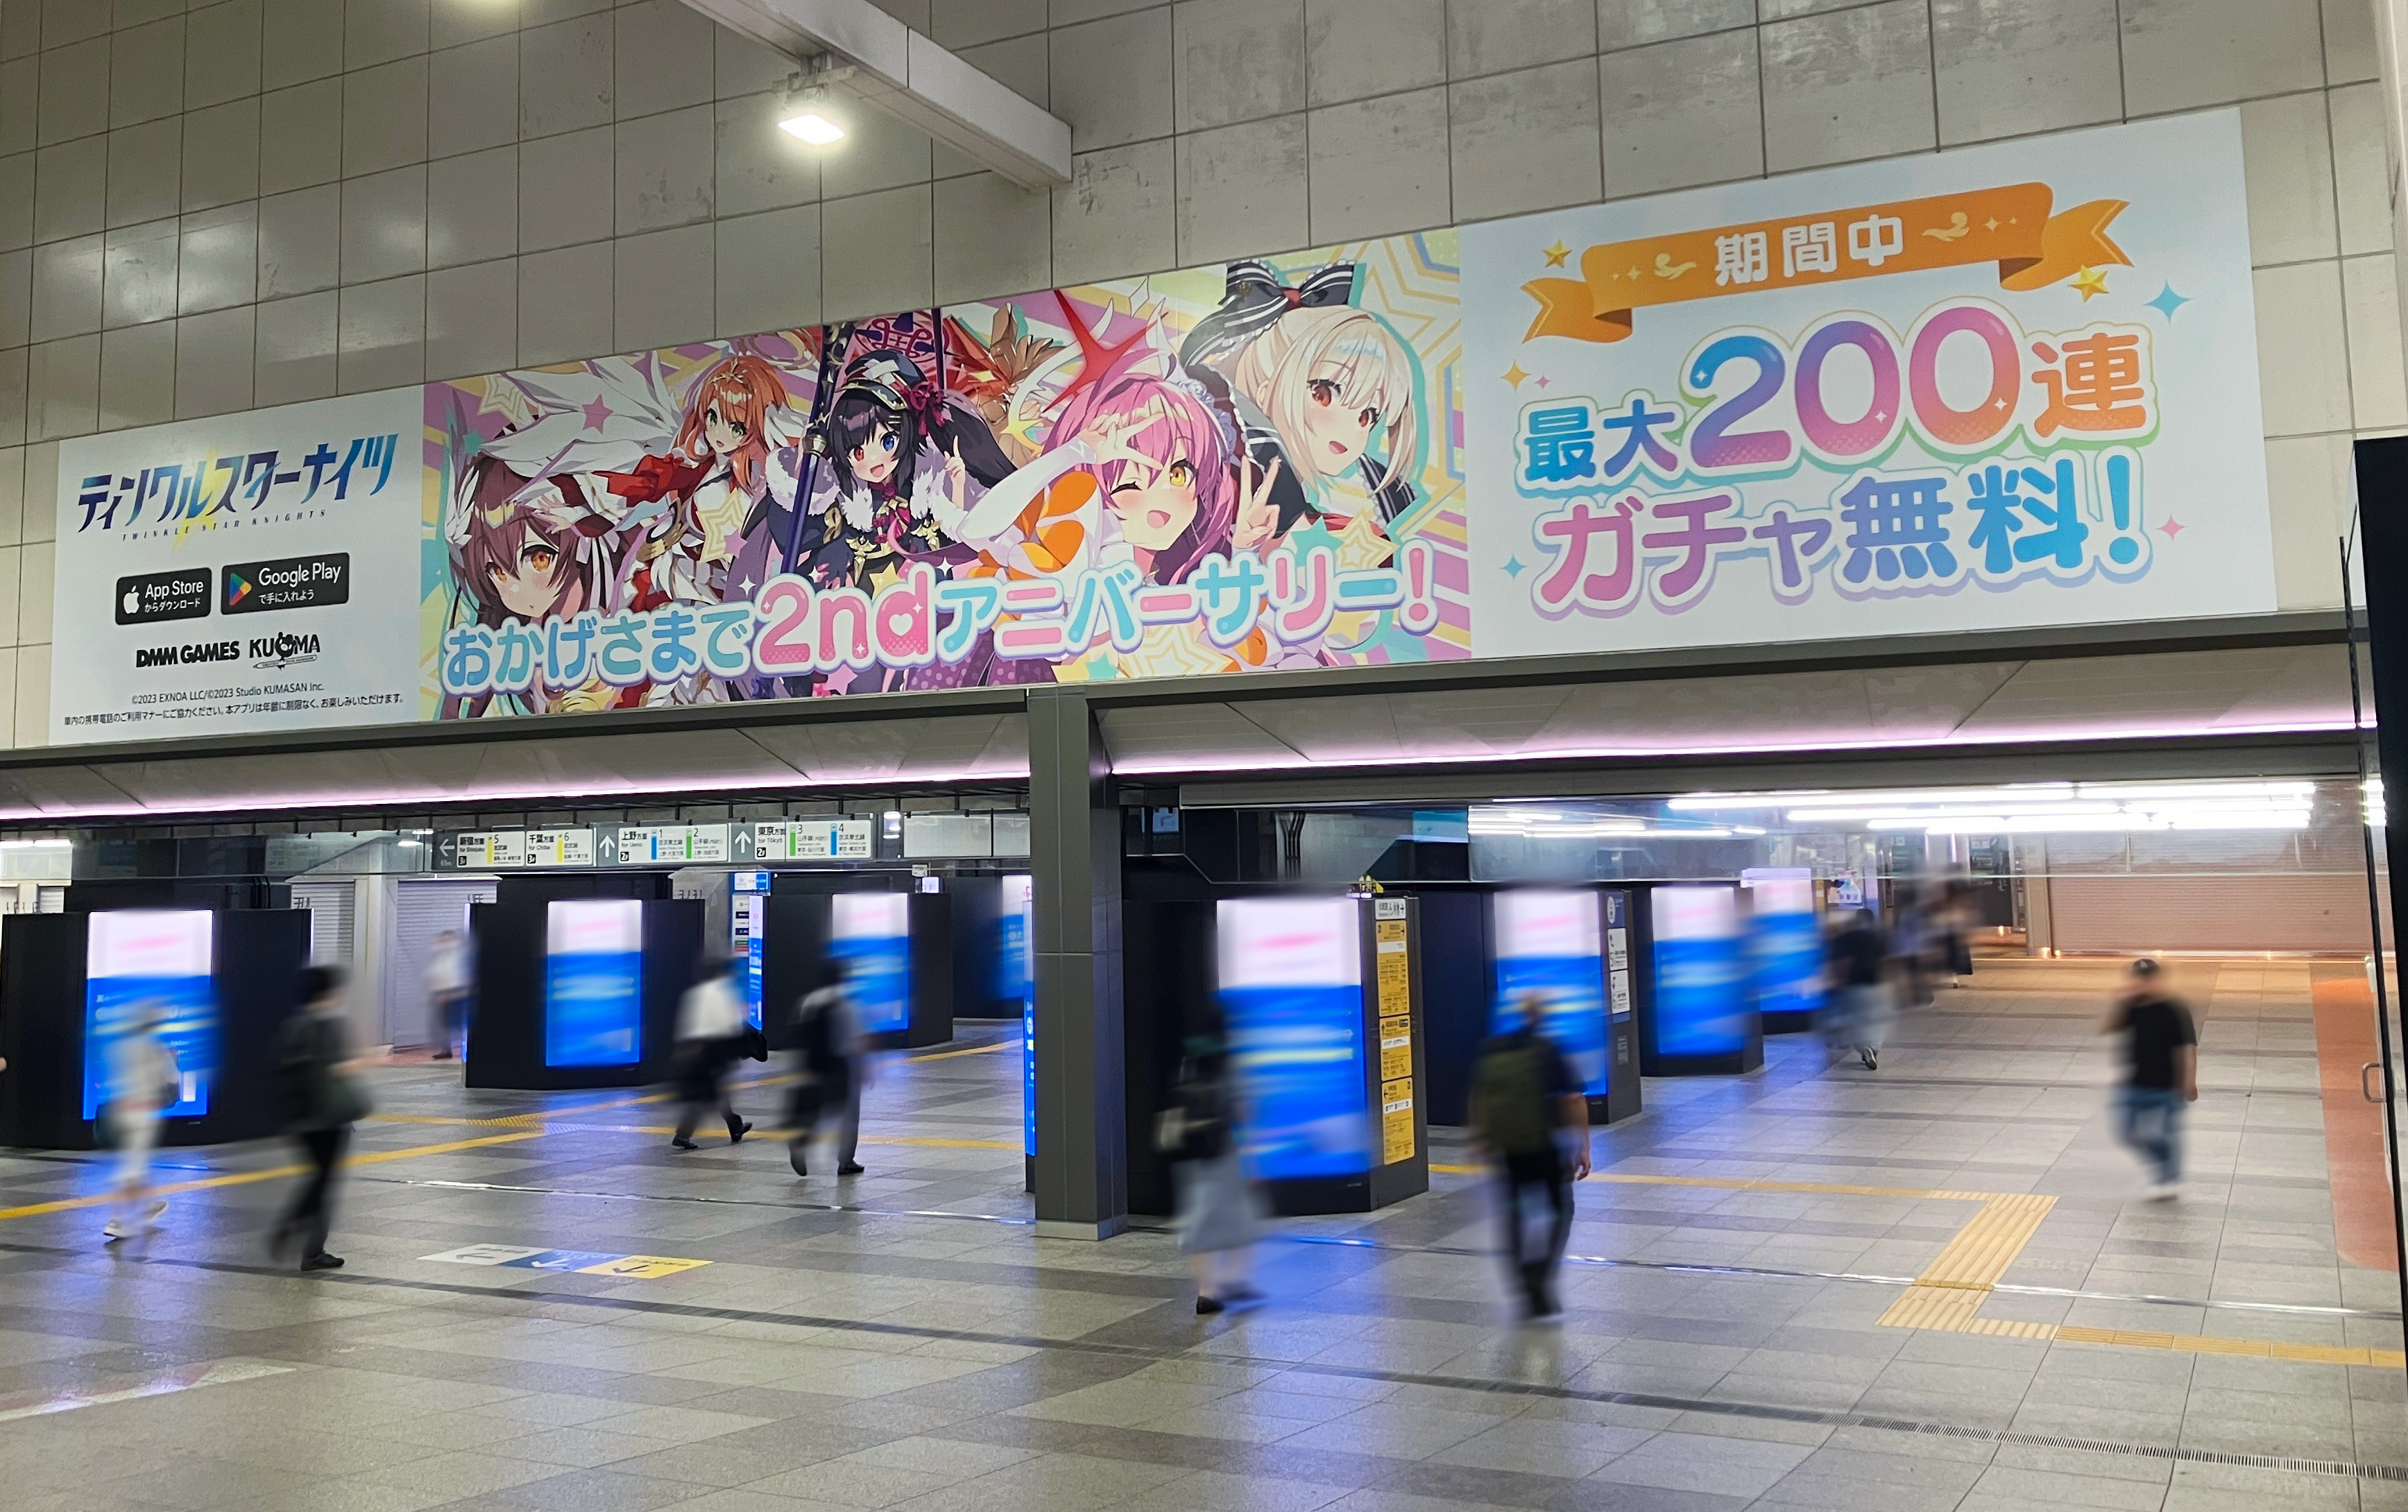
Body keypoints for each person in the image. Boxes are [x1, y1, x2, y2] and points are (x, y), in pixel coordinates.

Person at [1468, 993, 1591, 1323]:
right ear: (1541, 1017)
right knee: (1561, 1212)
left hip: (1509, 1149)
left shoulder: (1494, 1050)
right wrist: (1582, 1147)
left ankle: (1524, 1284)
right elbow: (1574, 1100)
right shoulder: (1549, 1050)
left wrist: (1482, 1140)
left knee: (1515, 1214)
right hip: (1546, 1148)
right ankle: (1540, 1278)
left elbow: (1479, 1097)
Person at [271, 965, 370, 1271]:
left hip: (299, 1118)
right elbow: (335, 1069)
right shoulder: (330, 1025)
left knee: (317, 1178)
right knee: (324, 1183)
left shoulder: (293, 1025)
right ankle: (306, 1242)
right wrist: (359, 1063)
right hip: (329, 1117)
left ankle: (299, 1233)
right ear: (330, 992)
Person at [1159, 1035, 1261, 1316]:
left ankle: (1207, 1292)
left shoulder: (1187, 1066)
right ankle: (1232, 1282)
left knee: (1200, 1228)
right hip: (1224, 1156)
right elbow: (1242, 1112)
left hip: (1192, 1159)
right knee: (1243, 1222)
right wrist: (1251, 1156)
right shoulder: (1229, 1067)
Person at [2101, 958, 2198, 1199]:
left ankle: (2168, 1179)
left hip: (2168, 1086)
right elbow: (2109, 1029)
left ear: (2158, 979)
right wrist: (2119, 1003)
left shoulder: (2175, 1010)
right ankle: (2165, 1169)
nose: (2145, 983)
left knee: (2165, 1134)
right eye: (2140, 978)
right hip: (2134, 1082)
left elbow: (2188, 1048)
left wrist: (2189, 1083)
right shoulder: (2132, 1006)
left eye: (2149, 978)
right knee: (2127, 1133)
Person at [102, 999, 178, 1242]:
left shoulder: (118, 1046)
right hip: (143, 1113)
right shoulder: (157, 1048)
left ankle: (146, 1206)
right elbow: (173, 1079)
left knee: (133, 1161)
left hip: (119, 1112)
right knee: (132, 1166)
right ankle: (120, 1219)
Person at [787, 961, 866, 1177]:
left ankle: (800, 1141)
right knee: (848, 1114)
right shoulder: (845, 1003)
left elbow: (799, 1033)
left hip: (812, 1064)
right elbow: (854, 1039)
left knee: (816, 1108)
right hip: (840, 1065)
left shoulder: (808, 1001)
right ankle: (846, 1161)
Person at [671, 956, 754, 1151]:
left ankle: (735, 1126)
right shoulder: (720, 993)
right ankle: (684, 1134)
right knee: (707, 1093)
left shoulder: (695, 993)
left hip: (695, 1049)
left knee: (715, 1092)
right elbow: (727, 1025)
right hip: (713, 1051)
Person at [1824, 907, 1893, 1071]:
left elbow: (1835, 962)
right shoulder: (1876, 938)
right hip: (1874, 984)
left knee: (1854, 1021)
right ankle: (1872, 1048)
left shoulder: (1845, 938)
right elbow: (1886, 961)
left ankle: (1861, 1045)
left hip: (1852, 985)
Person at [425, 929, 471, 1060]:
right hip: (441, 994)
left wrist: (447, 993)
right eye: (443, 941)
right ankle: (446, 1050)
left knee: (459, 1024)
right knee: (444, 1024)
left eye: (448, 941)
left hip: (455, 996)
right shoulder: (441, 957)